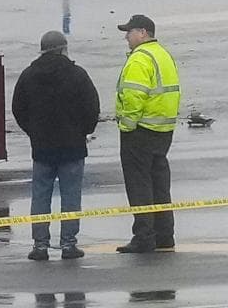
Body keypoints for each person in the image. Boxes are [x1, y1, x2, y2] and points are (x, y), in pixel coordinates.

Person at [12, 30, 100, 260]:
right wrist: (84, 131)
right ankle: (69, 245)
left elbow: (18, 109)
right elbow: (92, 108)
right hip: (72, 147)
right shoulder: (78, 75)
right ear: (63, 48)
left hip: (42, 148)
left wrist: (34, 132)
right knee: (71, 196)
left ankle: (40, 245)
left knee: (40, 196)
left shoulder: (28, 76)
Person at [114, 14, 181, 253]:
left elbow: (134, 96)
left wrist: (127, 125)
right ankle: (165, 235)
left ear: (142, 32)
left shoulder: (140, 59)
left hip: (140, 131)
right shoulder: (163, 55)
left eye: (129, 32)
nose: (126, 37)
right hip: (163, 130)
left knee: (139, 184)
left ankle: (143, 236)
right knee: (160, 183)